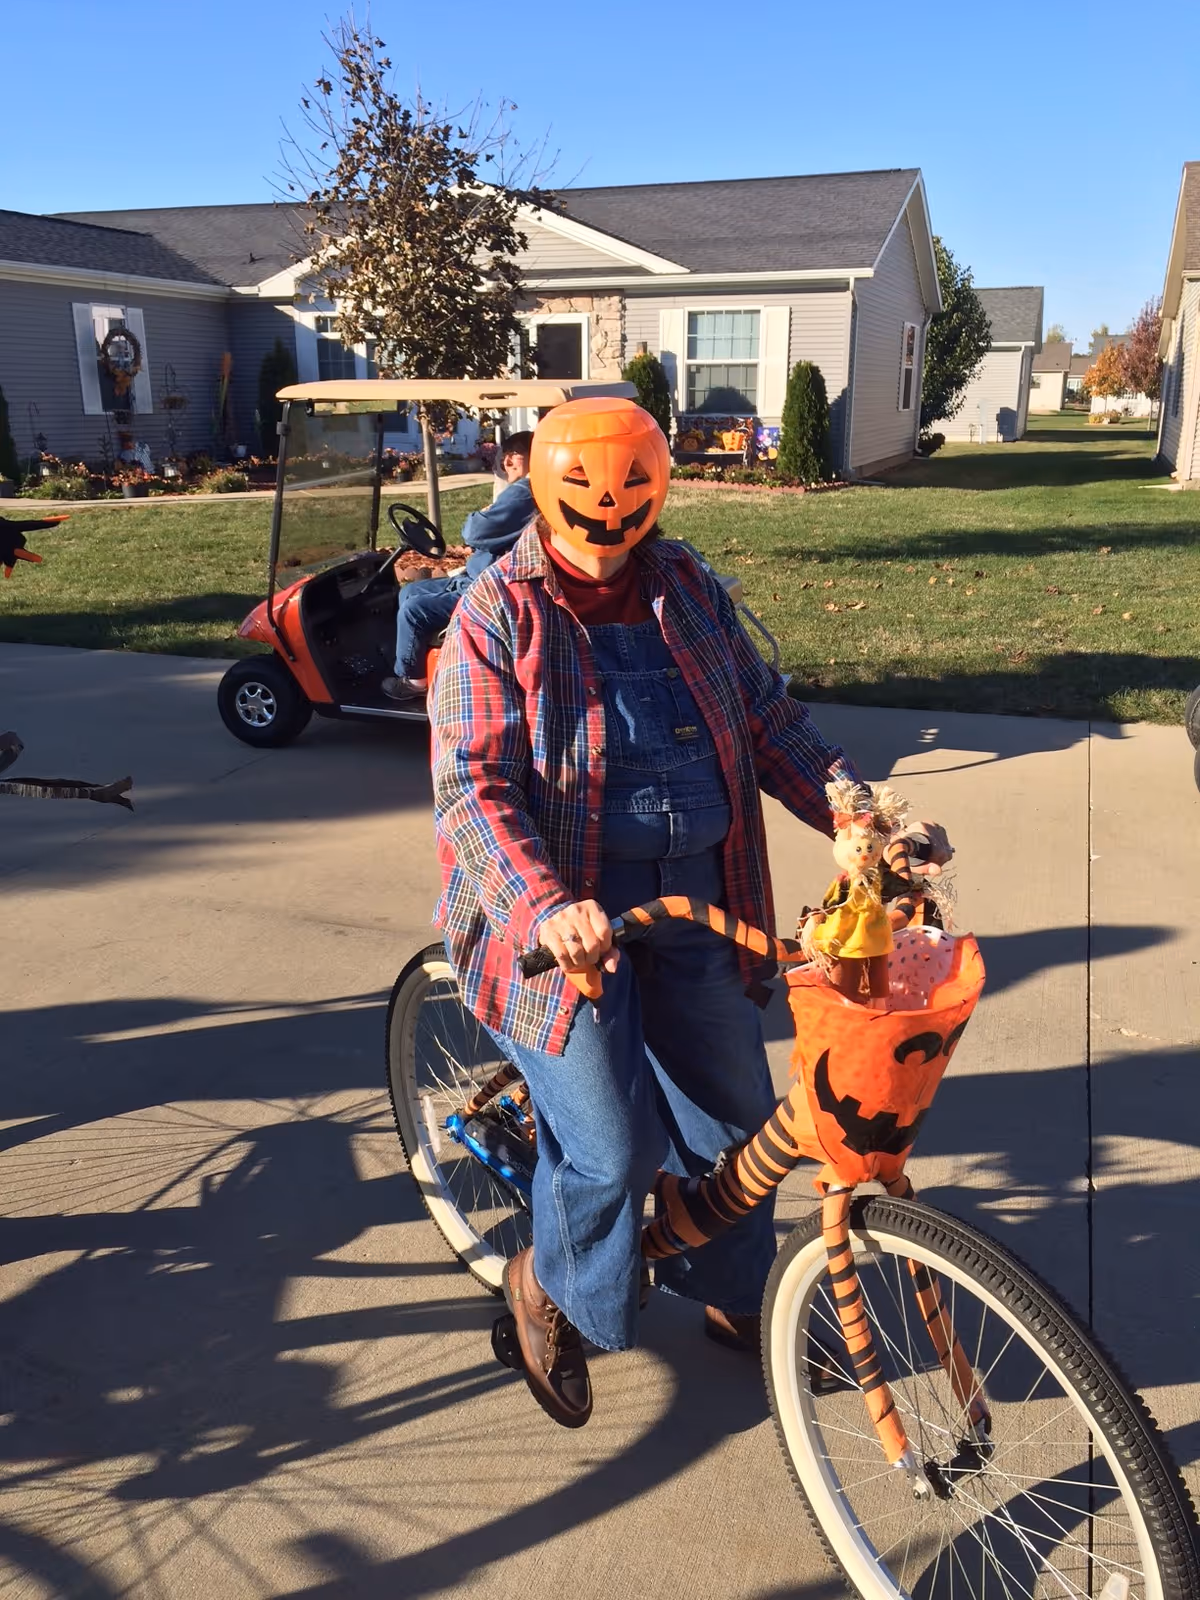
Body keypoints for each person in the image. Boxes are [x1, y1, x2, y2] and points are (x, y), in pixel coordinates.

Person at [429, 398, 862, 1430]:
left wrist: (854, 808)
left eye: (631, 493)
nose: (609, 516)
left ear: (657, 491)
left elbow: (766, 718)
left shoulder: (686, 586)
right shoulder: (496, 612)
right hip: (561, 923)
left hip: (699, 897)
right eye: (586, 495)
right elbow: (472, 788)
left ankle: (733, 1288)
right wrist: (547, 906)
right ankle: (546, 1280)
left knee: (736, 1122)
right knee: (613, 1148)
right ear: (542, 490)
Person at [382, 431, 534, 702]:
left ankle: (414, 681)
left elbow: (474, 532)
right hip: (477, 577)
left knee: (414, 611)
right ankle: (428, 658)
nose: (507, 462)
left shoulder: (525, 493)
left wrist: (480, 515)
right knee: (409, 592)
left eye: (515, 455)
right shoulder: (527, 491)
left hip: (489, 589)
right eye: (506, 456)